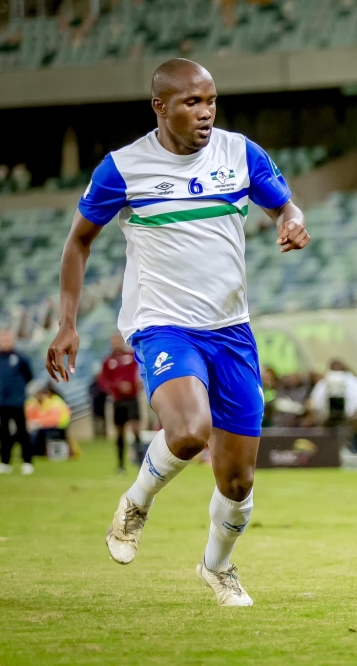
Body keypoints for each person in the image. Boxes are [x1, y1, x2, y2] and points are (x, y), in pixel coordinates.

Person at [46, 58, 310, 607]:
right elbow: (78, 242)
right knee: (189, 431)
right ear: (160, 107)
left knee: (237, 483)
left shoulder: (240, 154)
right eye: (192, 103)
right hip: (163, 326)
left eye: (211, 100)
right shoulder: (122, 168)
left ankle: (217, 568)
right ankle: (136, 503)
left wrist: (289, 217)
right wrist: (68, 322)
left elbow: (283, 202)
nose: (206, 113)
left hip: (231, 330)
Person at [308, 360, 357, 454]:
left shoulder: (353, 382)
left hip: (351, 418)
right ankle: (316, 448)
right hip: (327, 419)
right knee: (310, 418)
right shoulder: (323, 383)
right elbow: (314, 403)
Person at [99, 333, 142, 473]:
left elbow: (142, 370)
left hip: (132, 398)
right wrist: (117, 388)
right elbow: (104, 381)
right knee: (119, 432)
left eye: (118, 340)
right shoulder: (108, 361)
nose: (116, 343)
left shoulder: (131, 356)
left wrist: (137, 384)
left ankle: (141, 463)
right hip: (118, 401)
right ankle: (121, 464)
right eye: (113, 341)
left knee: (136, 429)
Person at [0, 329, 34, 475]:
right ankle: (5, 462)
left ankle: (27, 462)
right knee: (4, 433)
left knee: (22, 432)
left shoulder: (20, 358)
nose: (6, 343)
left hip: (17, 401)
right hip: (2, 401)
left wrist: (18, 391)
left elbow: (29, 376)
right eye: (3, 340)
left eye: (8, 340)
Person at [25, 383, 72, 458]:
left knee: (38, 432)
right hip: (61, 424)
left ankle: (36, 451)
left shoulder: (52, 402)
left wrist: (39, 423)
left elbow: (51, 418)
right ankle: (34, 451)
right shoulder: (56, 400)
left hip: (58, 424)